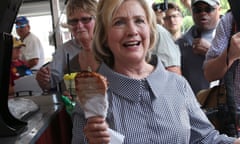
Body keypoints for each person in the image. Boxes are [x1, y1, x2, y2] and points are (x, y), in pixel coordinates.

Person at [72, 0, 240, 143]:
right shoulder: (92, 99)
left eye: (139, 20)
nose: (132, 31)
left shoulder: (177, 85)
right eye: (119, 22)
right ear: (104, 36)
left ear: (151, 30)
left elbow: (206, 139)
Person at [36, 0, 99, 92]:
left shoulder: (111, 46)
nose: (79, 25)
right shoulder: (65, 51)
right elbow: (49, 82)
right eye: (73, 21)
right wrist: (43, 79)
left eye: (85, 19)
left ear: (97, 20)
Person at [177, 0, 221, 94]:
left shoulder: (232, 36)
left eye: (208, 9)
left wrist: (211, 52)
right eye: (198, 9)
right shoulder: (182, 43)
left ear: (219, 10)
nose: (203, 13)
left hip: (226, 104)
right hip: (192, 104)